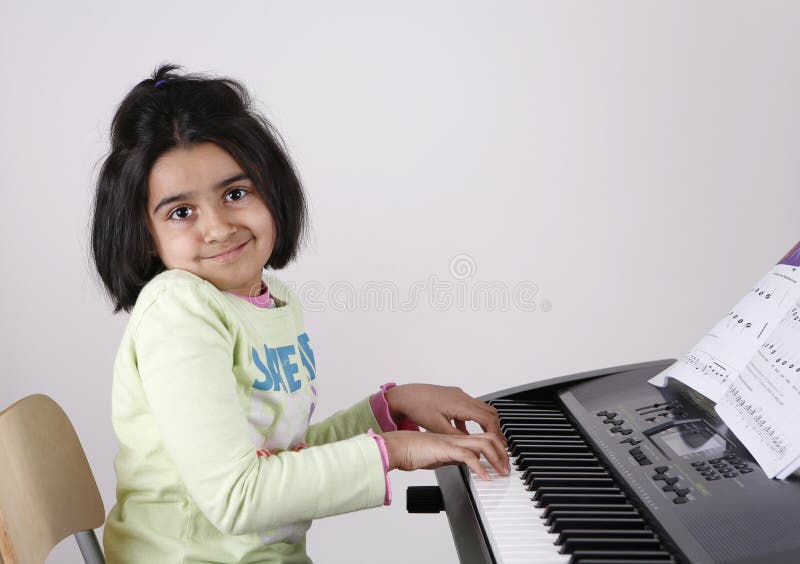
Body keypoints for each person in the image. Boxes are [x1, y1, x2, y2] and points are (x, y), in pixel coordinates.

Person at [91, 63, 510, 564]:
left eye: (235, 194)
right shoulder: (178, 311)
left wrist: (390, 408)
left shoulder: (271, 299)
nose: (220, 227)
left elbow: (281, 458)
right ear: (143, 232)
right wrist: (393, 452)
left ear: (274, 191)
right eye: (181, 212)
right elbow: (237, 496)